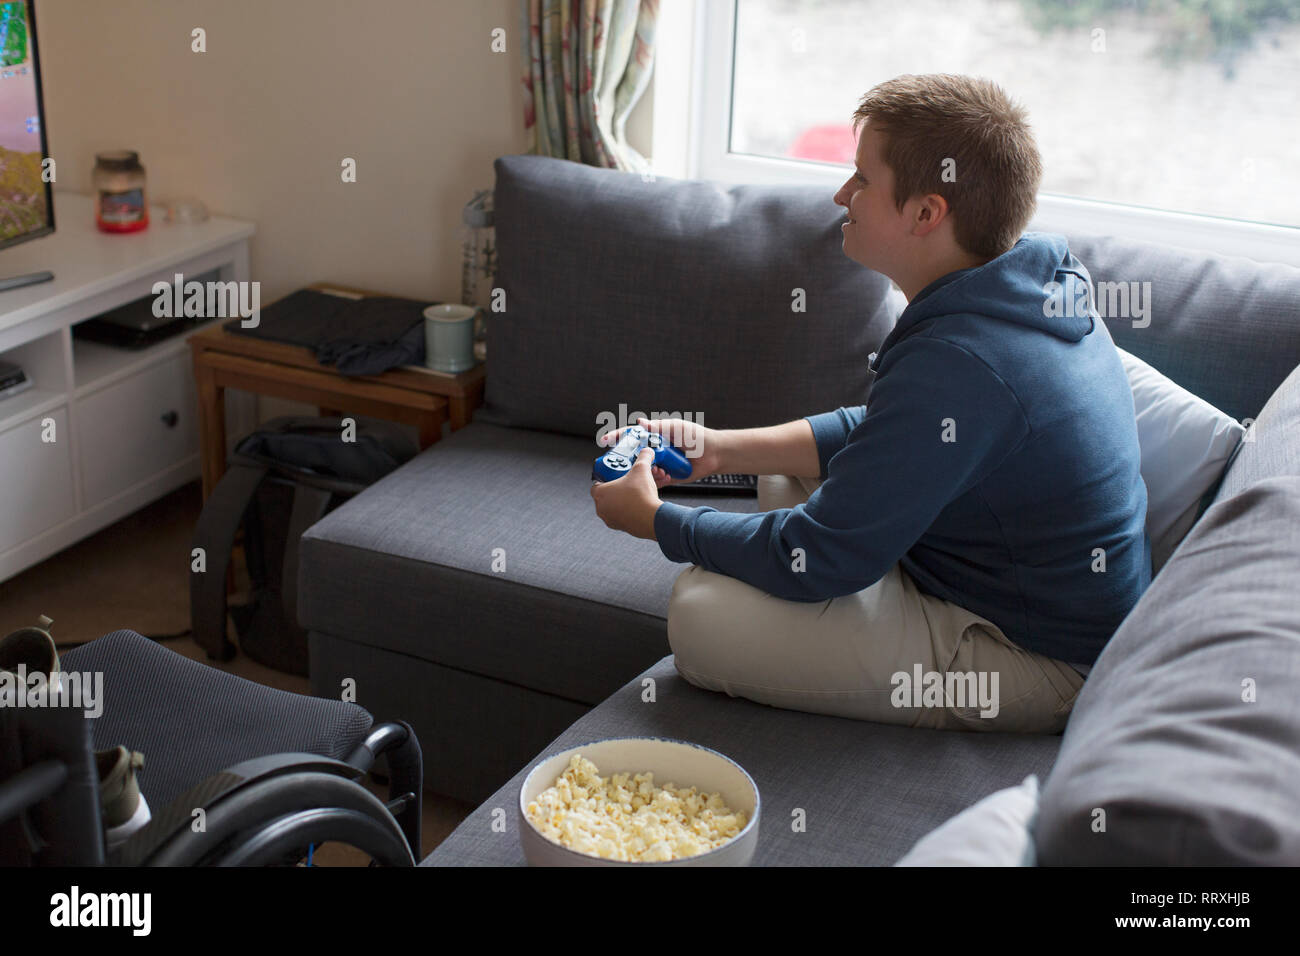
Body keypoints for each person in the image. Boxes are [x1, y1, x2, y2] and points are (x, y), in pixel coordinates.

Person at [590, 73, 1150, 734]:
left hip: (1038, 656)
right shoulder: (1026, 280)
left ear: (925, 213)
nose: (840, 195)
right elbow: (894, 432)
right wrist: (721, 448)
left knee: (698, 614)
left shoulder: (964, 362)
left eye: (861, 179)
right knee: (782, 470)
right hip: (977, 565)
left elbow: (820, 553)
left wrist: (654, 521)